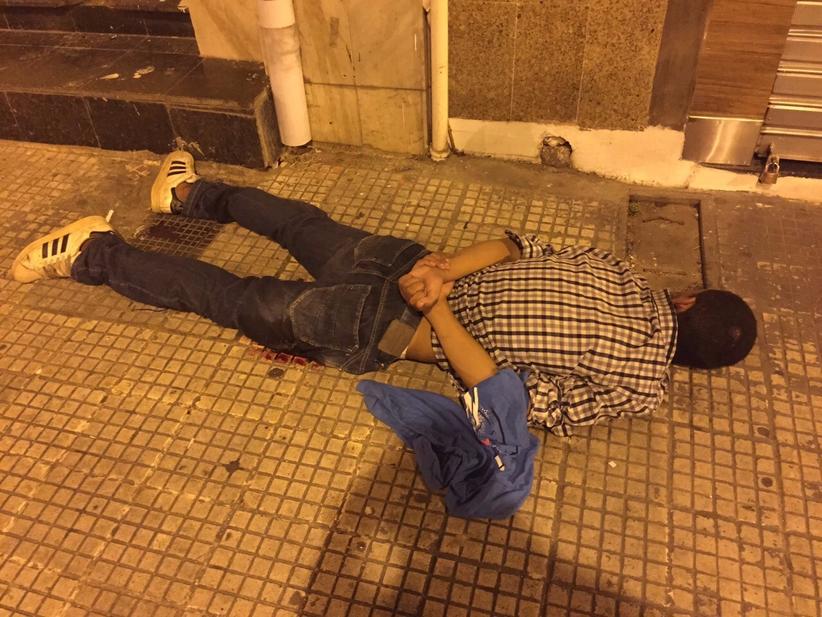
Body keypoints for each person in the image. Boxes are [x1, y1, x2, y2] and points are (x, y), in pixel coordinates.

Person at [10, 151, 758, 437]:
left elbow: (518, 246)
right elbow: (510, 399)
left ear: (687, 300)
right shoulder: (636, 389)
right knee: (236, 299)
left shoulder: (624, 274)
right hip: (404, 321)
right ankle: (92, 252)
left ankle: (186, 193)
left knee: (300, 223)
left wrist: (441, 272)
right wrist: (437, 298)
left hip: (413, 273)